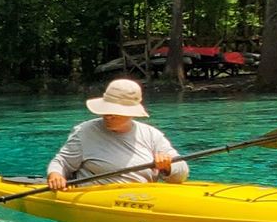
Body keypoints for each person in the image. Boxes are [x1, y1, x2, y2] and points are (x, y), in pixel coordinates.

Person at [46, 79, 188, 191]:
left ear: (131, 113)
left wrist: (168, 167)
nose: (108, 115)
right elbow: (61, 162)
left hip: (146, 196)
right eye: (106, 110)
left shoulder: (152, 135)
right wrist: (55, 175)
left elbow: (181, 173)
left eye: (115, 112)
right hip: (100, 197)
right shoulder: (84, 132)